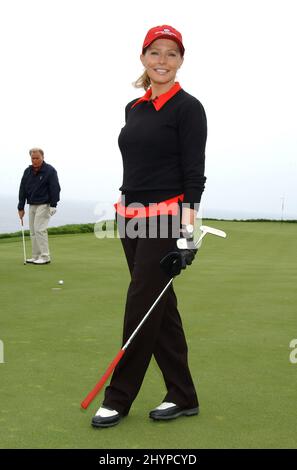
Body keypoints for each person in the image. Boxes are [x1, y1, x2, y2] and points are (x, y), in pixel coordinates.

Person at [92, 25, 207, 428]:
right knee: (160, 307)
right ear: (143, 58)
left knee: (140, 306)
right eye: (155, 53)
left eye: (171, 54)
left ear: (181, 61)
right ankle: (183, 393)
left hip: (165, 218)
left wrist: (187, 231)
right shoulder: (134, 108)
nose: (162, 60)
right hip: (130, 218)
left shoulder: (188, 108)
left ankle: (118, 398)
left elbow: (194, 173)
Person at [18, 148, 61, 265]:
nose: (35, 160)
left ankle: (45, 256)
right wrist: (20, 207)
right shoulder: (27, 171)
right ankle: (36, 256)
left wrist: (53, 204)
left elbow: (55, 188)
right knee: (32, 230)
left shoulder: (50, 171)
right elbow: (22, 189)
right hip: (32, 204)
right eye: (33, 158)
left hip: (44, 204)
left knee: (39, 229)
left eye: (37, 158)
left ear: (42, 157)